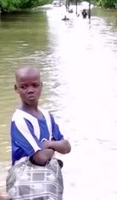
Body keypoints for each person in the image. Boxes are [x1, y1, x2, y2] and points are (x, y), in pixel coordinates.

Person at [7, 66, 71, 199]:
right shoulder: (19, 120)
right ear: (16, 89)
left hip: (46, 182)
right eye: (24, 87)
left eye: (35, 85)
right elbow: (40, 159)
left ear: (41, 86)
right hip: (24, 184)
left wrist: (47, 144)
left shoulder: (47, 116)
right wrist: (54, 146)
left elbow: (66, 147)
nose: (30, 90)